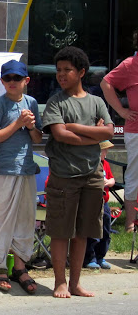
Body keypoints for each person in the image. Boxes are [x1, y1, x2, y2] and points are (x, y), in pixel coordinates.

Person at [42, 46, 114, 298]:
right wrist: (90, 135)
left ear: (81, 72)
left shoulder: (96, 102)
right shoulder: (55, 101)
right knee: (62, 231)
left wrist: (74, 128)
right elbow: (61, 135)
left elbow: (108, 132)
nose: (61, 74)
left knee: (83, 231)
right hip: (64, 175)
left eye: (67, 70)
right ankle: (59, 282)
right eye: (58, 70)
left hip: (93, 175)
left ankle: (76, 283)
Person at [0, 60, 43, 294]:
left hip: (26, 169)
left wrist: (30, 126)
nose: (12, 83)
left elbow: (37, 139)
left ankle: (20, 267)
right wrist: (18, 123)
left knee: (25, 219)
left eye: (17, 78)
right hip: (3, 169)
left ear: (26, 81)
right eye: (8, 79)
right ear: (2, 81)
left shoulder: (32, 103)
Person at [100, 29, 138, 232]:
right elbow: (106, 83)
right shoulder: (130, 64)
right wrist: (121, 111)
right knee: (134, 174)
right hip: (136, 128)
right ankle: (130, 223)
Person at [84, 140, 115, 270]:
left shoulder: (105, 164)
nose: (106, 152)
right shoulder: (90, 164)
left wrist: (109, 182)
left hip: (105, 202)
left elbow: (113, 179)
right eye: (104, 149)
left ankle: (101, 256)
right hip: (93, 201)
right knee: (93, 231)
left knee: (105, 231)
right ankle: (90, 258)